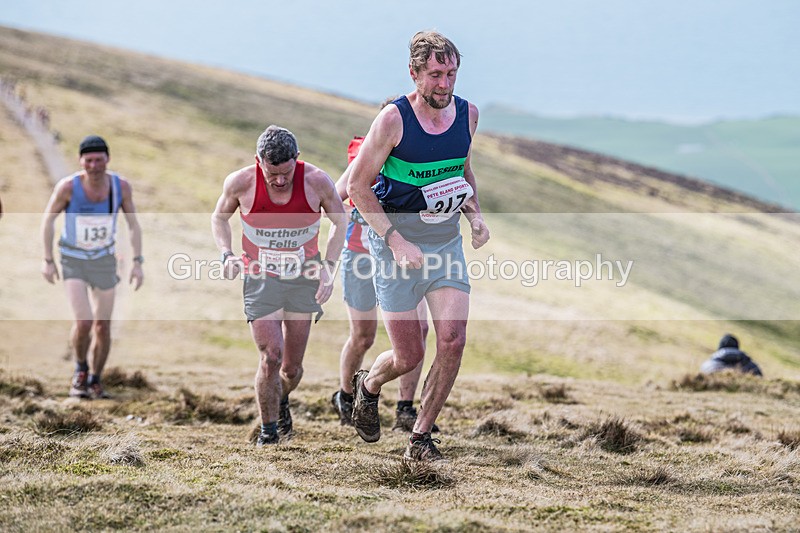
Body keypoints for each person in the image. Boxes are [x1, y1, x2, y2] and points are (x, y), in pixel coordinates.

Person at [347, 31, 490, 461]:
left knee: (453, 339)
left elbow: (462, 170)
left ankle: (420, 438)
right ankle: (369, 385)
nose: (445, 84)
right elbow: (357, 187)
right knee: (408, 356)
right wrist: (395, 241)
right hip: (395, 246)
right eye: (435, 75)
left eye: (451, 74)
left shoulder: (468, 115)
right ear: (414, 73)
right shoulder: (393, 120)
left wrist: (475, 215)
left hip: (444, 243)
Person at [211, 125, 347, 446]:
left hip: (303, 280)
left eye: (287, 173)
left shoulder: (316, 181)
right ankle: (268, 432)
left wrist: (328, 268)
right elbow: (219, 218)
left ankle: (280, 397)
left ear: (297, 158)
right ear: (258, 160)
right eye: (272, 174)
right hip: (260, 278)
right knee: (271, 356)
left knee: (291, 369)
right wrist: (226, 254)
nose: (281, 181)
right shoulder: (240, 183)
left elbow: (341, 220)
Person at [330, 132, 436, 433]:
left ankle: (405, 409)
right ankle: (346, 398)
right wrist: (352, 212)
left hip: (400, 259)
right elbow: (335, 198)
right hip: (361, 258)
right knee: (363, 336)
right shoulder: (366, 156)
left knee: (420, 329)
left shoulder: (417, 159)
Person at [41, 135, 144, 399]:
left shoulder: (120, 187)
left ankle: (96, 379)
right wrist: (48, 260)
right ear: (80, 161)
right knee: (84, 321)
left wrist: (137, 262)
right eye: (89, 160)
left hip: (104, 260)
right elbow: (48, 221)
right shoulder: (68, 187)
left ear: (108, 159)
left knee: (103, 326)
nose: (94, 166)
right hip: (73, 259)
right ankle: (80, 370)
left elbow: (133, 225)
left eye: (99, 160)